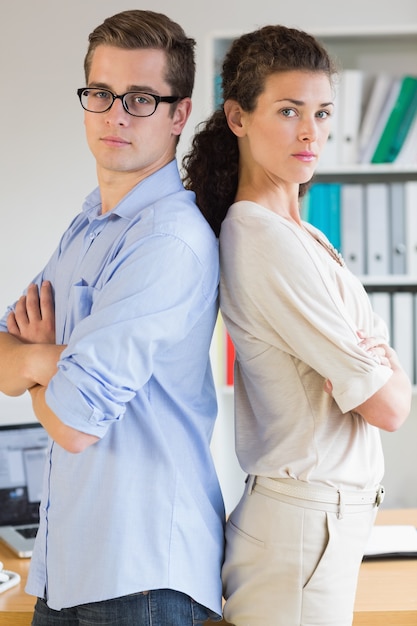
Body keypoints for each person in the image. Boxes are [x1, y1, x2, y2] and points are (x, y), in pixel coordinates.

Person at [0, 10, 224, 626]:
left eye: (142, 98)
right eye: (101, 93)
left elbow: (74, 423)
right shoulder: (88, 227)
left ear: (180, 114)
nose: (116, 114)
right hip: (73, 567)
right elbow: (1, 353)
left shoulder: (169, 241)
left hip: (143, 575)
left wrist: (41, 361)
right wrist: (53, 365)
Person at [183, 24, 412, 626]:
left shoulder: (301, 234)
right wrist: (376, 358)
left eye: (322, 111)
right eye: (288, 111)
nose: (311, 132)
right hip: (302, 531)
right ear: (238, 117)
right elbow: (389, 406)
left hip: (318, 527)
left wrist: (373, 361)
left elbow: (385, 390)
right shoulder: (257, 234)